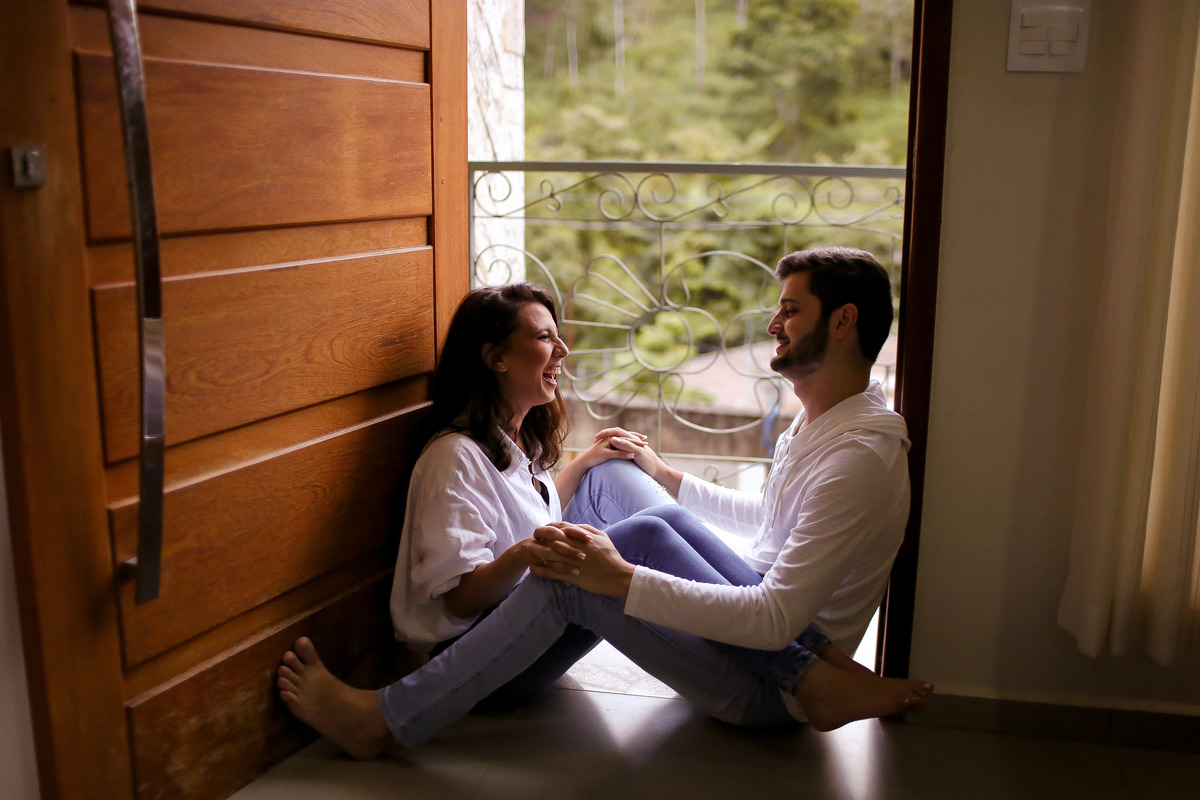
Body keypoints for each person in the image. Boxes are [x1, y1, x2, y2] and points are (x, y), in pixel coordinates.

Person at [278, 248, 933, 758]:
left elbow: (770, 620)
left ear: (843, 322)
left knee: (588, 567)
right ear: (494, 359)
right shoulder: (826, 426)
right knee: (632, 505)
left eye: (790, 310)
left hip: (771, 680)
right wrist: (659, 475)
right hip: (773, 650)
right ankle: (820, 670)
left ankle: (385, 719)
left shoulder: (856, 457)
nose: (772, 325)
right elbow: (770, 522)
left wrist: (617, 577)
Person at [383, 282, 652, 711]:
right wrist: (528, 552)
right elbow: (460, 599)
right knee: (643, 541)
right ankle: (734, 623)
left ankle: (731, 612)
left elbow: (526, 512)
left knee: (609, 474)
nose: (563, 350)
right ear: (497, 358)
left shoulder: (515, 439)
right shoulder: (454, 457)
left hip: (524, 622)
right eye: (545, 337)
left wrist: (586, 462)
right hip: (480, 659)